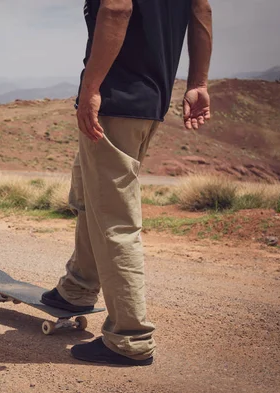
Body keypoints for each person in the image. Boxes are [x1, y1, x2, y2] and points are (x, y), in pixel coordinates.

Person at [40, 0, 213, 366]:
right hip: (149, 102)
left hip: (116, 100)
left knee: (114, 219)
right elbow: (201, 12)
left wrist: (91, 87)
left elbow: (117, 9)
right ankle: (77, 289)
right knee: (90, 195)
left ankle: (129, 338)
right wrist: (198, 83)